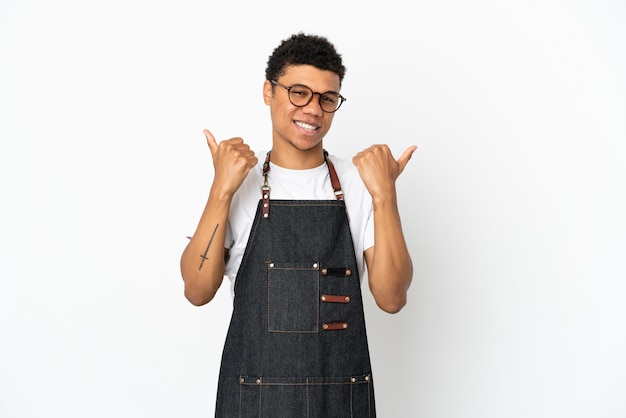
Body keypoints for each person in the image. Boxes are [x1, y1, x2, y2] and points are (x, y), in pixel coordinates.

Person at [180, 32, 416, 417]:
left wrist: (385, 195)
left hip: (340, 401)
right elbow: (196, 289)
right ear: (268, 92)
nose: (313, 110)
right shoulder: (239, 179)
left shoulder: (359, 183)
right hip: (254, 403)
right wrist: (221, 190)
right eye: (298, 92)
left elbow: (391, 298)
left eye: (327, 98)